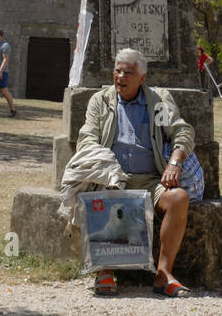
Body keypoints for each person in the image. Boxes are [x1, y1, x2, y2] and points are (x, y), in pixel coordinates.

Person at [61, 48, 196, 298]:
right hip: (112, 178)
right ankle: (104, 270)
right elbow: (87, 137)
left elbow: (181, 132)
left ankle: (163, 274)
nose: (120, 77)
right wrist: (106, 166)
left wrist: (175, 162)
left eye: (128, 73)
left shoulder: (156, 102)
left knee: (178, 199)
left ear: (142, 78)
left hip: (149, 180)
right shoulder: (101, 101)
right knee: (105, 195)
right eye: (117, 70)